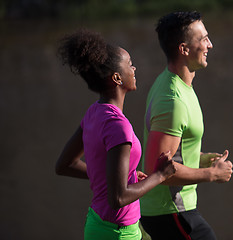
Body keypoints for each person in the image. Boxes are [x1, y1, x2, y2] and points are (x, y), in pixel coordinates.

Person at [55, 29, 176, 240]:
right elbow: (118, 197)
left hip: (97, 224)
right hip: (117, 233)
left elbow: (65, 164)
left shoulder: (94, 112)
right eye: (130, 64)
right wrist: (161, 175)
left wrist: (121, 176)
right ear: (117, 77)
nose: (134, 68)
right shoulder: (118, 126)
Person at [139, 11, 233, 240]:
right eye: (203, 39)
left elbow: (171, 154)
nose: (210, 45)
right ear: (184, 49)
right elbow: (157, 169)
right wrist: (211, 174)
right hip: (168, 212)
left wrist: (197, 158)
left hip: (174, 211)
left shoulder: (179, 86)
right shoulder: (172, 100)